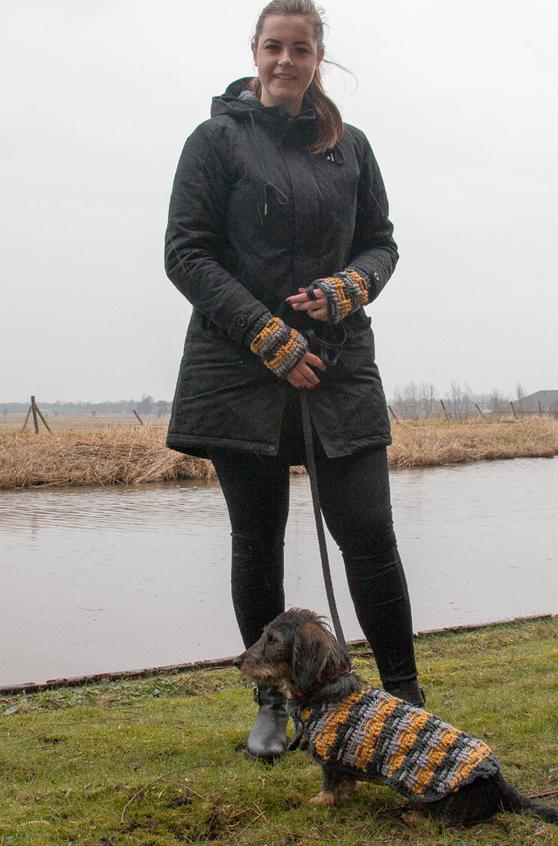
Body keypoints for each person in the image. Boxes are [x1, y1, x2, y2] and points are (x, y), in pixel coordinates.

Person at [164, 0, 422, 762]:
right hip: (239, 368)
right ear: (254, 52)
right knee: (258, 542)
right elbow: (186, 254)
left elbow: (382, 245)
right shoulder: (213, 142)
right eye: (273, 47)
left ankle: (405, 699)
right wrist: (268, 335)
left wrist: (349, 288)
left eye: (300, 48)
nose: (285, 60)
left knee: (369, 534)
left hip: (339, 366)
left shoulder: (353, 147)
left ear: (318, 58)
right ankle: (272, 705)